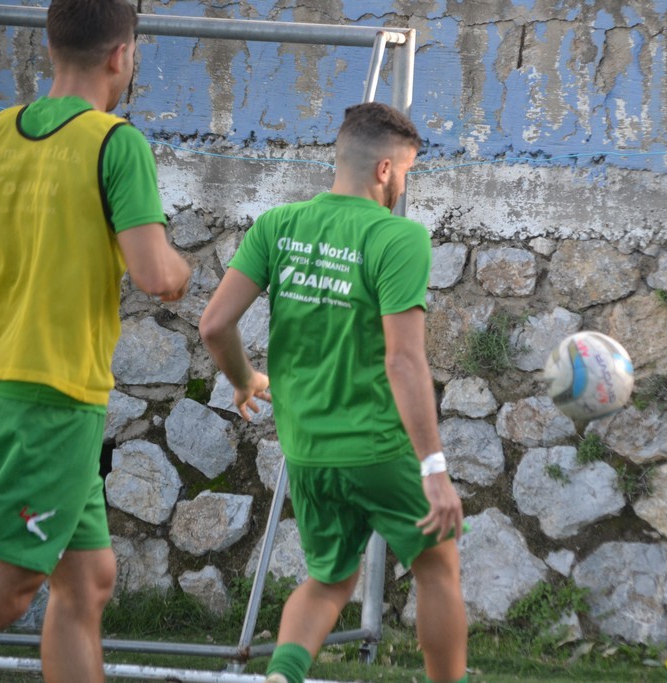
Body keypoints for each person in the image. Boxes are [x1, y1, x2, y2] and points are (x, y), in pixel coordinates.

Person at [200, 101, 468, 683]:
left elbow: (214, 325)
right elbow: (403, 359)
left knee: (329, 580)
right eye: (406, 172)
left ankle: (281, 676)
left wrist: (245, 381)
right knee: (437, 566)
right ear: (385, 170)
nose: (403, 186)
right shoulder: (398, 238)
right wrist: (434, 467)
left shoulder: (277, 226)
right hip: (379, 449)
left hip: (307, 451)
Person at [0, 1, 192, 681]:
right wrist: (183, 271)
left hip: (4, 382)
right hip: (53, 397)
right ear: (121, 55)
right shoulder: (116, 142)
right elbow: (155, 274)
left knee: (89, 579)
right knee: (9, 588)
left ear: (51, 48)